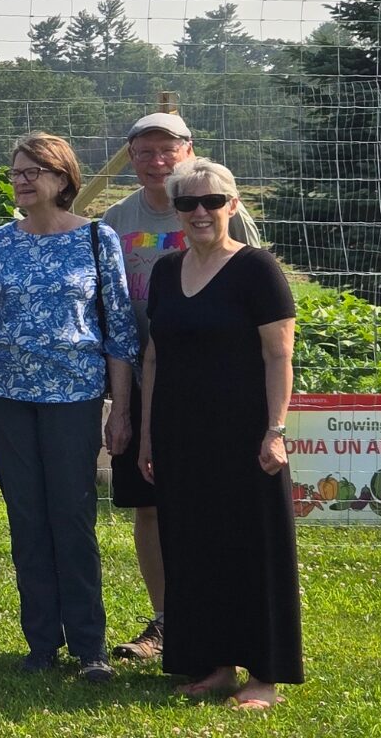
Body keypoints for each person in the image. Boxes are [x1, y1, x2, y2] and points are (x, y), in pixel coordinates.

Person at [0, 132, 139, 683]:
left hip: (73, 399)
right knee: (27, 521)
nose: (20, 179)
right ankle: (40, 643)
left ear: (62, 178)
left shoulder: (95, 240)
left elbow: (120, 331)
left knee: (72, 517)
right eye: (16, 170)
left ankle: (90, 647)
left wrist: (121, 410)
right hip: (5, 397)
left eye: (33, 170)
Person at [100, 112, 263, 662]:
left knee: (215, 503)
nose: (156, 160)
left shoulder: (218, 203)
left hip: (216, 381)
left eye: (167, 149)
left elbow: (261, 291)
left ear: (189, 150)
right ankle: (169, 620)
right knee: (149, 504)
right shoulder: (115, 220)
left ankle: (221, 619)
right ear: (130, 157)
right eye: (143, 151)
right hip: (145, 375)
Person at [138, 158, 301, 710]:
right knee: (192, 548)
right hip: (181, 433)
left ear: (232, 205)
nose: (200, 212)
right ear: (177, 211)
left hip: (245, 435)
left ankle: (265, 676)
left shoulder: (257, 269)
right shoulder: (165, 270)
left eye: (212, 202)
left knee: (253, 549)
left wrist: (275, 430)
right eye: (188, 203)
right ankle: (214, 663)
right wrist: (148, 437)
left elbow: (279, 354)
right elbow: (155, 357)